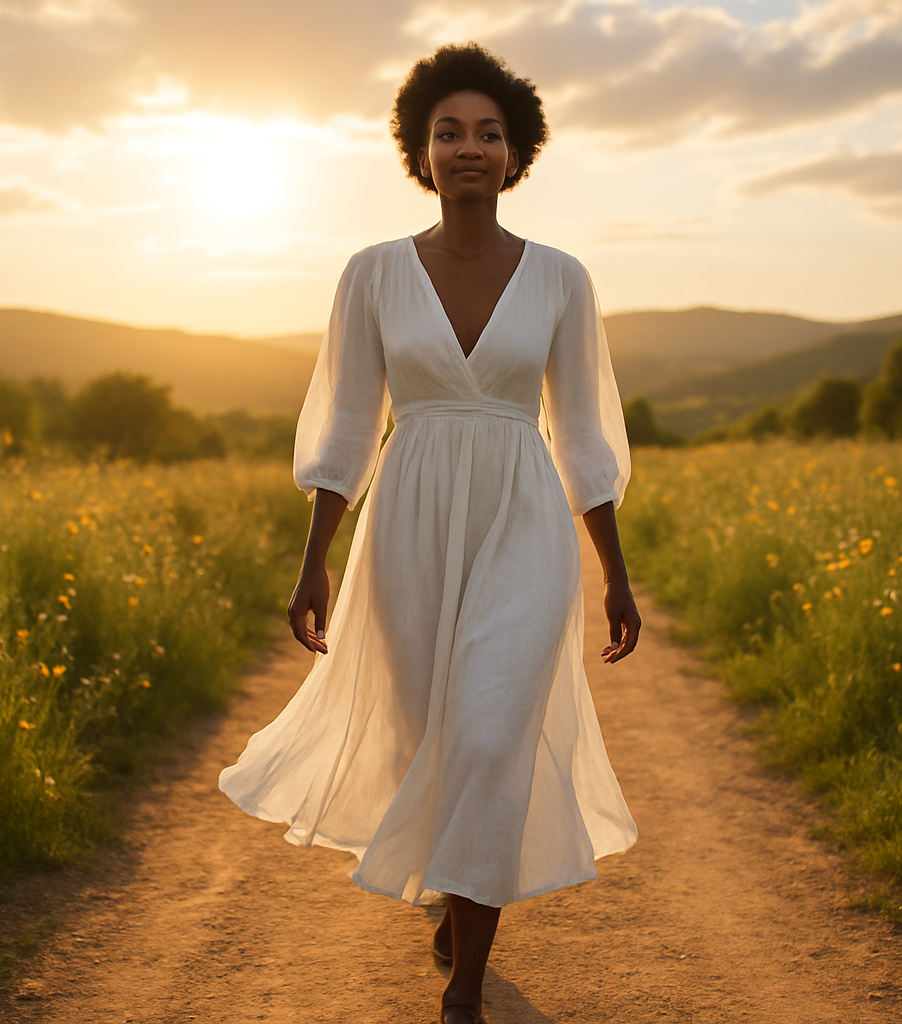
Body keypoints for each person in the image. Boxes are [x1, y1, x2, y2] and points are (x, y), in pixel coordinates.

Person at [218, 42, 641, 1024]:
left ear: (515, 152)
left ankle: (463, 990)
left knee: (491, 733)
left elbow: (580, 431)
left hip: (522, 521)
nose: (469, 148)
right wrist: (313, 557)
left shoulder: (562, 280)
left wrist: (615, 573)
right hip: (406, 520)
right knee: (427, 739)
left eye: (488, 133)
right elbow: (348, 423)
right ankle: (462, 893)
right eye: (448, 131)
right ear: (420, 149)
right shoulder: (372, 274)